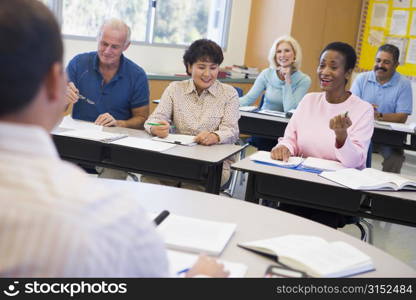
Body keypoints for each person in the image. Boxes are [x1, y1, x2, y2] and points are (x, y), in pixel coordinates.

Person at [0, 0, 228, 278]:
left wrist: (121, 122)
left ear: (126, 47)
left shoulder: (138, 75)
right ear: (54, 84)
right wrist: (199, 278)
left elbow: (143, 117)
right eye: (103, 44)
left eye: (115, 46)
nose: (107, 51)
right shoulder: (113, 219)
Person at [271, 42, 374, 228]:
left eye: (333, 67)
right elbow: (290, 139)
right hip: (301, 183)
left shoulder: (362, 110)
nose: (325, 71)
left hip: (336, 192)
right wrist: (284, 147)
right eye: (321, 65)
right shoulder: (308, 100)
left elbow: (355, 162)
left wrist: (342, 137)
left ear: (348, 73)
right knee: (280, 220)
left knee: (313, 227)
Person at [143, 39, 240, 189]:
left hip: (213, 163)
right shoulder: (175, 89)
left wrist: (215, 136)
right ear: (189, 67)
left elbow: (232, 131)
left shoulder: (229, 94)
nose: (208, 74)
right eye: (201, 67)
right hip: (177, 157)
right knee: (150, 179)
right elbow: (153, 120)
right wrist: (155, 128)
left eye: (213, 68)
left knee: (192, 188)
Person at [239, 36, 311, 151]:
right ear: (275, 55)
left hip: (286, 129)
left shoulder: (303, 80)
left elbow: (290, 110)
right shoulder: (266, 74)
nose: (282, 55)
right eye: (279, 51)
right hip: (264, 126)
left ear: (295, 55)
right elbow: (248, 99)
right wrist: (227, 102)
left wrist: (287, 82)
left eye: (287, 50)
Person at [351, 44, 413, 173]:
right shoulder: (362, 79)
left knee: (395, 157)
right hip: (361, 131)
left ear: (396, 65)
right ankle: (357, 184)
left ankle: (387, 188)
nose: (380, 65)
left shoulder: (404, 84)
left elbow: (402, 117)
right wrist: (367, 111)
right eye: (378, 61)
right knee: (357, 151)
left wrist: (378, 116)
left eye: (386, 62)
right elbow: (351, 106)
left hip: (388, 137)